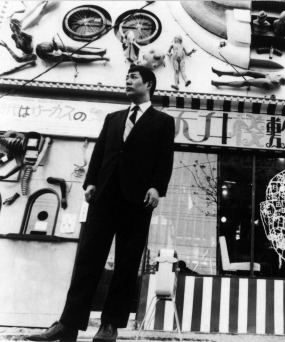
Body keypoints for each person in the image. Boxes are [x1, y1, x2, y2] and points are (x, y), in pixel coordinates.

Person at [26, 65, 175, 342]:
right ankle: (68, 324)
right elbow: (99, 152)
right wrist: (90, 181)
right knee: (87, 260)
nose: (127, 82)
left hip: (138, 201)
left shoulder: (163, 122)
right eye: (126, 77)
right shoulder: (113, 118)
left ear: (149, 85)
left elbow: (164, 159)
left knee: (127, 264)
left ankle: (110, 325)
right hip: (103, 197)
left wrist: (156, 187)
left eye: (133, 78)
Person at [211, 67, 285, 90]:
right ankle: (221, 73)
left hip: (268, 82)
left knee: (247, 82)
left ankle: (219, 83)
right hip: (267, 77)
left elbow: (274, 81)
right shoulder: (281, 76)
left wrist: (276, 80)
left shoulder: (279, 82)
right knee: (248, 72)